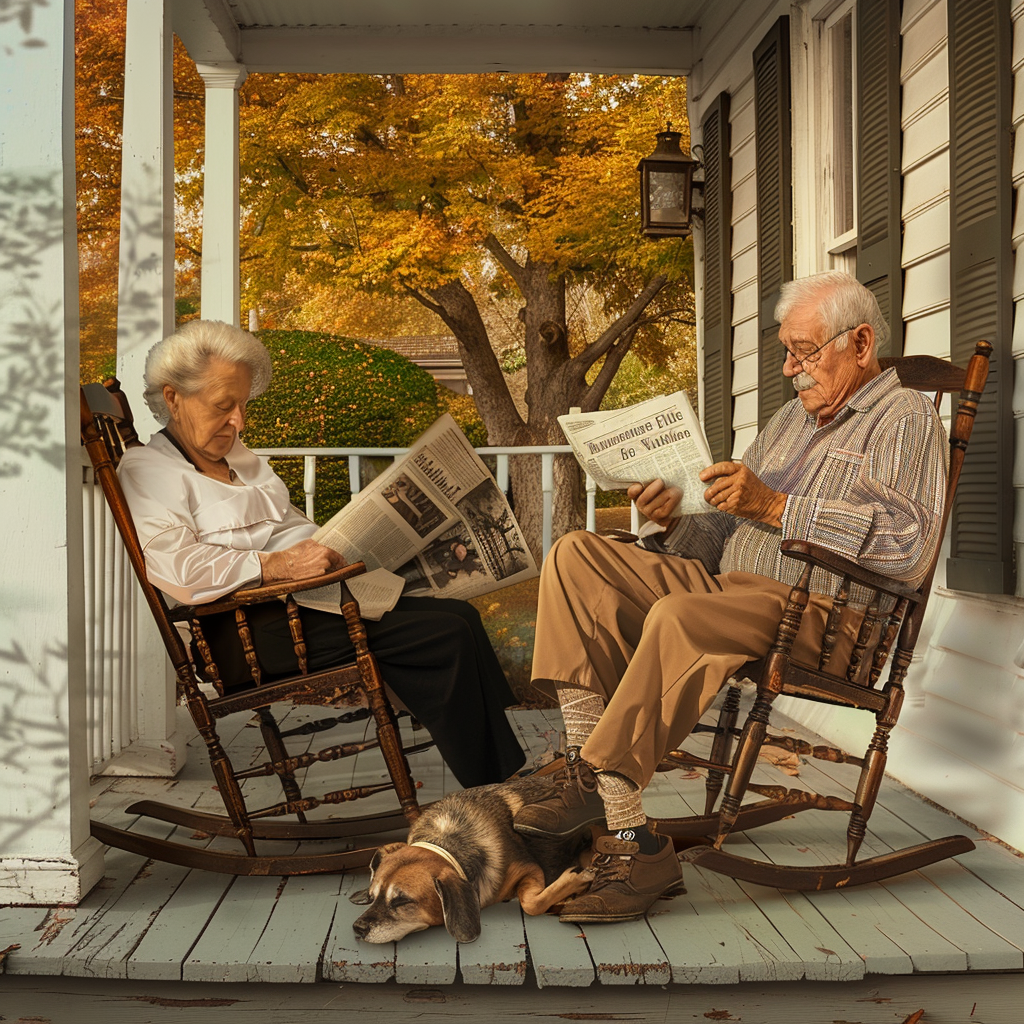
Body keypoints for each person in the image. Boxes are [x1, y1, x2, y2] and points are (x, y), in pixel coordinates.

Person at [517, 271, 948, 923]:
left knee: (680, 614)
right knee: (578, 555)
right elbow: (722, 535)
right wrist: (677, 517)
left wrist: (776, 505)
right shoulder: (789, 421)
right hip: (730, 589)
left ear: (860, 344)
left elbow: (909, 546)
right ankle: (586, 773)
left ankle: (636, 845)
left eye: (804, 351)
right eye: (785, 351)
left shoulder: (905, 417)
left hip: (828, 617)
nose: (789, 367)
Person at [117, 319, 526, 788]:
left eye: (243, 406)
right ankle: (494, 788)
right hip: (241, 630)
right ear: (173, 398)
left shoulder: (239, 459)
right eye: (223, 406)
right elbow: (174, 566)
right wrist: (271, 566)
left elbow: (292, 527)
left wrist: (340, 542)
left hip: (299, 605)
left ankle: (501, 765)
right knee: (441, 635)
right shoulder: (149, 469)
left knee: (460, 616)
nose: (239, 422)